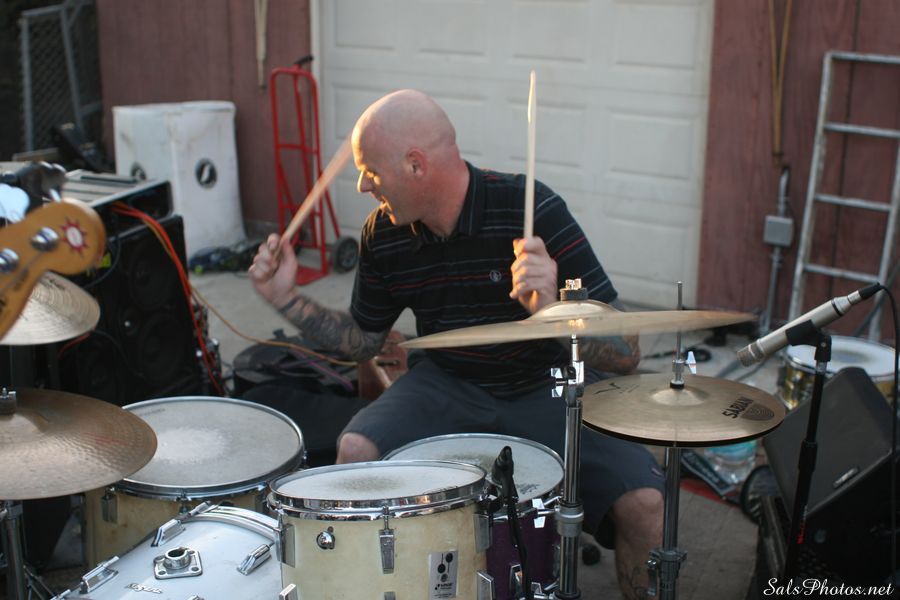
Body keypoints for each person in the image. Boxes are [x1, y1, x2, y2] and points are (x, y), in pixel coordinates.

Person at [250, 89, 664, 599]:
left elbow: (627, 352)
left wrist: (554, 310)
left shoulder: (531, 208)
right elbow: (362, 341)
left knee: (645, 504)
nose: (362, 186)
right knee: (355, 450)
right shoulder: (385, 234)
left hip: (545, 382)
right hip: (448, 381)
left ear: (415, 165)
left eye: (371, 172)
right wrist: (285, 297)